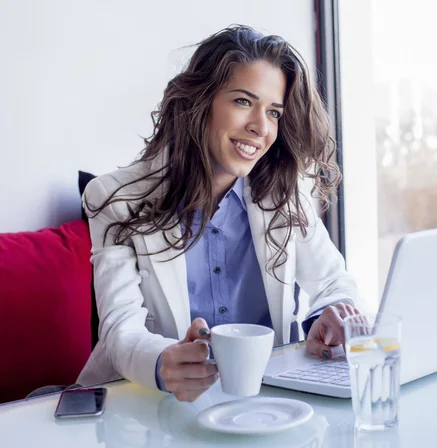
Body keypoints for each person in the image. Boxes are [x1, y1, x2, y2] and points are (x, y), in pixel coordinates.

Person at [78, 25, 363, 402]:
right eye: (243, 101)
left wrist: (326, 316)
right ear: (202, 101)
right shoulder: (117, 197)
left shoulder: (284, 193)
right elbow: (119, 330)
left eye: (274, 112)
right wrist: (163, 362)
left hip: (264, 405)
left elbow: (334, 284)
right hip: (152, 406)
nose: (261, 127)